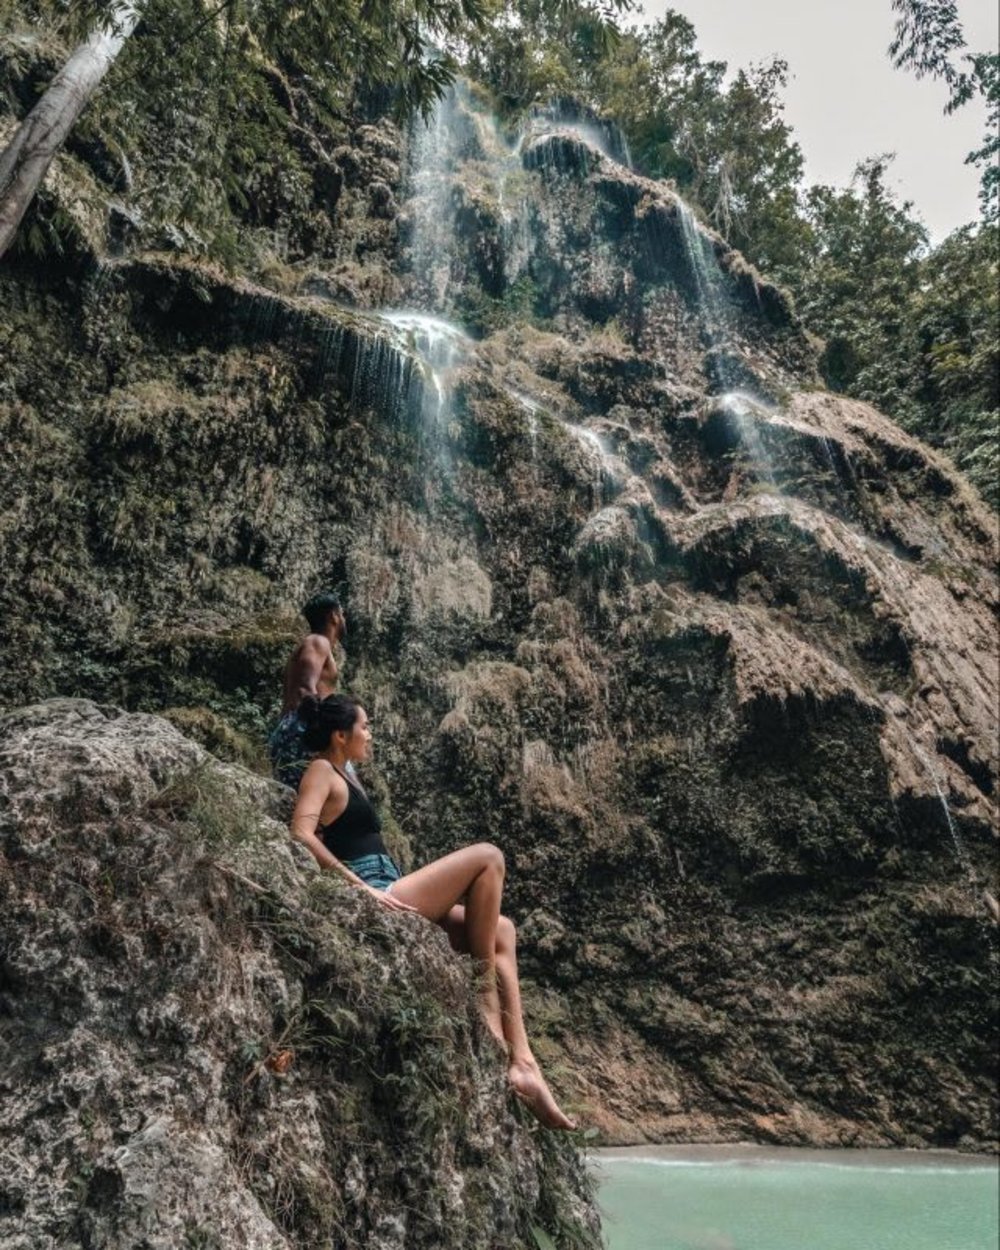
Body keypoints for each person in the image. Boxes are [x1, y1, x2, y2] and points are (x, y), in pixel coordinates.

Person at [289, 693, 576, 1131]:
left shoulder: (348, 773)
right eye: (365, 727)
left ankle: (523, 1062)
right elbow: (301, 834)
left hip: (391, 884)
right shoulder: (320, 770)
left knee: (502, 930)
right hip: (380, 889)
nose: (371, 734)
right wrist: (362, 890)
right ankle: (485, 999)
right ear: (340, 735)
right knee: (489, 856)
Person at [269, 592, 347, 788]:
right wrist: (321, 736)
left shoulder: (312, 645)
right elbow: (305, 690)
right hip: (303, 731)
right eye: (342, 614)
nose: (344, 619)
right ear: (334, 616)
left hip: (291, 731)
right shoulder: (317, 642)